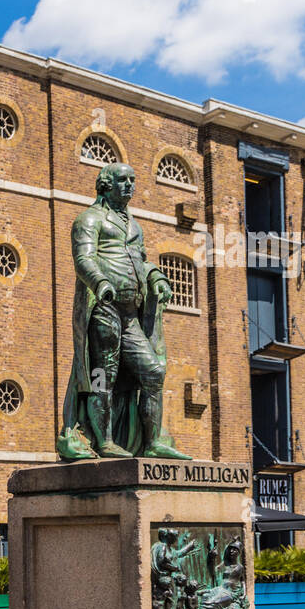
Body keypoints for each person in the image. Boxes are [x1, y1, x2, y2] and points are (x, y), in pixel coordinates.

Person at [57, 163, 190, 460]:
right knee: (103, 376)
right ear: (106, 184)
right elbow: (83, 259)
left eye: (132, 179)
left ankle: (152, 443)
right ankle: (104, 442)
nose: (130, 185)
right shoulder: (89, 219)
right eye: (122, 180)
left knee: (154, 372)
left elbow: (141, 261)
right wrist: (100, 282)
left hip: (131, 316)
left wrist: (156, 277)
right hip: (103, 310)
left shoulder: (134, 226)